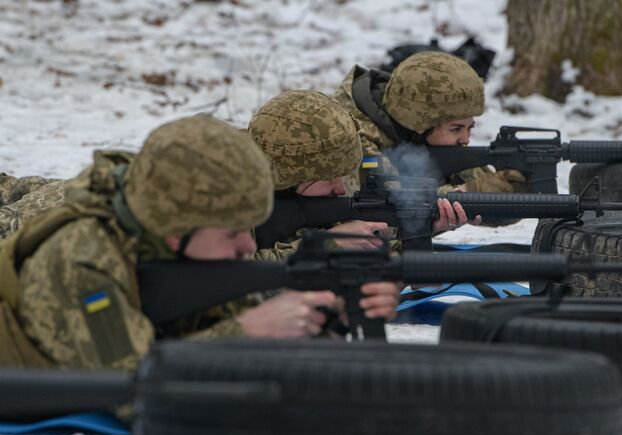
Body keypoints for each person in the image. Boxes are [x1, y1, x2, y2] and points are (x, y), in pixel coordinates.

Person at [0, 115, 398, 370]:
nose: (247, 246)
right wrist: (245, 333)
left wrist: (327, 320)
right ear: (175, 231)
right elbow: (129, 386)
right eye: (231, 233)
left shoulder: (181, 256)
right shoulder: (80, 260)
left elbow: (228, 335)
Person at [247, 90, 477, 261]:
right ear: (285, 179)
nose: (341, 190)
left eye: (344, 177)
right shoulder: (224, 195)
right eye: (329, 179)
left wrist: (425, 227)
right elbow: (233, 285)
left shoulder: (315, 202)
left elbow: (363, 260)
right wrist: (328, 244)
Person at [333, 51, 526, 194]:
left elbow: (488, 195)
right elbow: (384, 215)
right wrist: (464, 194)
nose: (465, 139)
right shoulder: (353, 136)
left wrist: (513, 185)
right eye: (456, 129)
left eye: (470, 127)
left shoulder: (426, 137)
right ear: (419, 123)